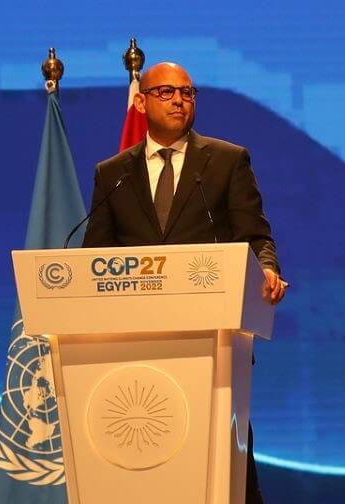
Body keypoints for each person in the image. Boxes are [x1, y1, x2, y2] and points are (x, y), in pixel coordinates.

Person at [82, 60, 287, 502]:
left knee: (228, 477)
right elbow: (95, 263)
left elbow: (256, 237)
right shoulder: (112, 174)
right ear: (140, 101)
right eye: (166, 92)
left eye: (188, 93)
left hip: (214, 347)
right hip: (133, 355)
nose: (179, 100)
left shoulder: (227, 161)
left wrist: (267, 269)